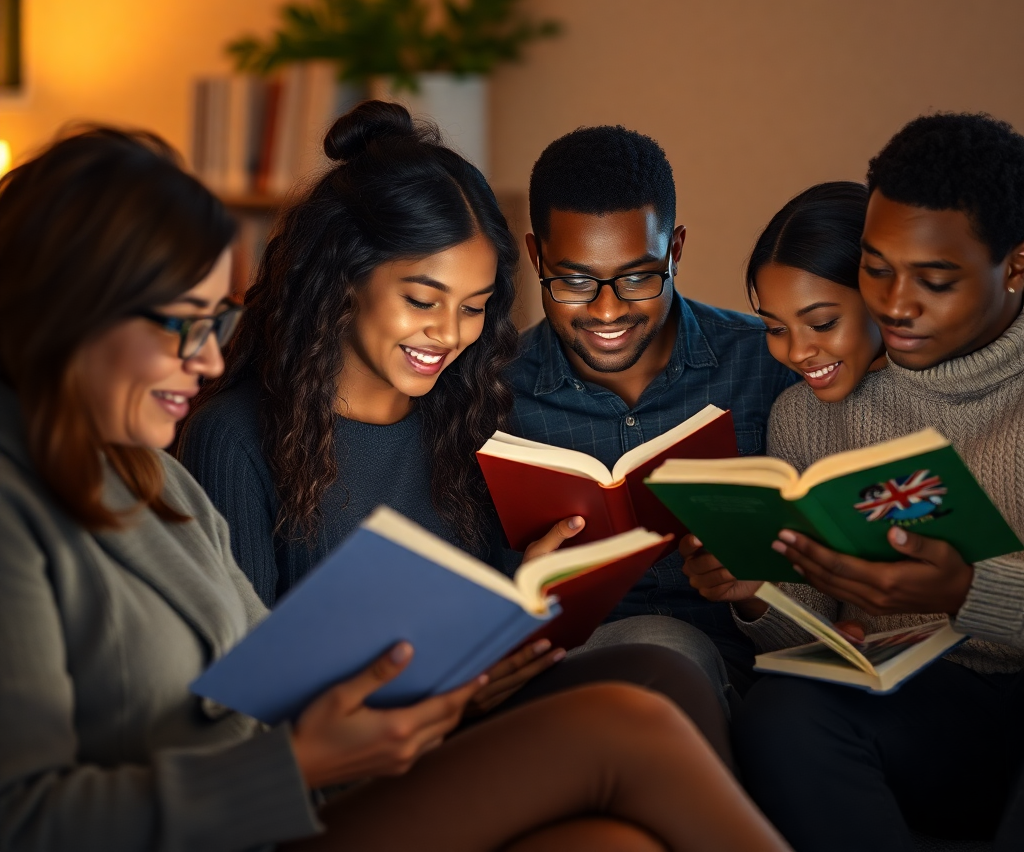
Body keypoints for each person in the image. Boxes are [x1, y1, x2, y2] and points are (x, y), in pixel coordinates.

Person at [0, 125, 793, 852]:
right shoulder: (193, 455)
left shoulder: (160, 480)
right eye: (184, 323)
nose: (207, 359)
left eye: (475, 308)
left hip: (403, 748)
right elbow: (254, 711)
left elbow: (256, 677)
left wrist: (507, 620)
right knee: (628, 718)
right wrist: (308, 753)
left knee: (617, 832)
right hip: (298, 806)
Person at [178, 101, 738, 739]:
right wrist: (448, 694)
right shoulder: (236, 437)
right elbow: (242, 704)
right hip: (354, 757)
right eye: (423, 300)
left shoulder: (464, 411)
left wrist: (528, 589)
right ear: (344, 279)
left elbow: (480, 610)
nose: (449, 334)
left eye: (473, 308)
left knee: (669, 656)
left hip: (478, 715)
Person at [690, 113, 1024, 851]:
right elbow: (810, 624)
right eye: (877, 269)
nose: (897, 304)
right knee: (781, 712)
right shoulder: (805, 418)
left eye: (933, 280)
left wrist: (966, 589)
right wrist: (758, 591)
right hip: (927, 703)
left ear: (1014, 267)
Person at [506, 125, 799, 685]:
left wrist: (758, 587)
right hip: (576, 679)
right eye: (575, 281)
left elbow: (823, 588)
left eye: (638, 277)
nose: (608, 311)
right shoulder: (492, 394)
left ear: (675, 250)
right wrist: (522, 592)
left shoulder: (767, 363)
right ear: (536, 255)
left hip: (746, 671)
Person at [681, 180, 886, 623]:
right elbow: (811, 631)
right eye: (775, 329)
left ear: (883, 296)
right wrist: (755, 592)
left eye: (822, 323)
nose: (797, 352)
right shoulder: (796, 415)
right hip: (865, 661)